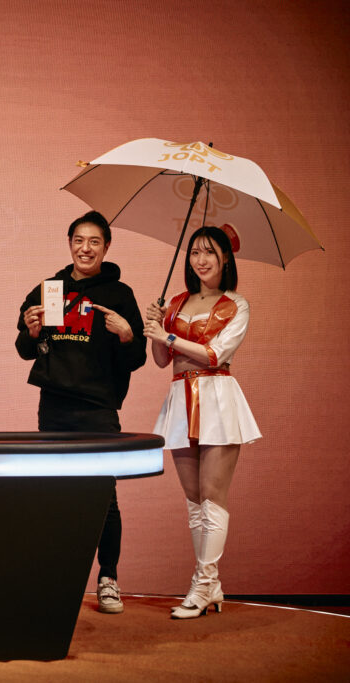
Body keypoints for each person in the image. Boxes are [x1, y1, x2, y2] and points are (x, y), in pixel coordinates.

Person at [15, 210, 146, 614]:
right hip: (54, 405)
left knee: (104, 496)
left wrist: (128, 335)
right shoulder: (49, 288)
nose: (85, 248)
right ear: (69, 243)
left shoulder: (120, 294)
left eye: (94, 242)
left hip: (99, 407)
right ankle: (57, 578)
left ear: (106, 247)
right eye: (78, 240)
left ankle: (108, 578)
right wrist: (31, 330)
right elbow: (24, 349)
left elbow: (137, 358)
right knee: (55, 494)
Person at [143, 226, 261, 619]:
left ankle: (203, 583)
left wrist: (168, 337)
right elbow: (162, 361)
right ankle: (211, 586)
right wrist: (156, 329)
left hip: (217, 399)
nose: (201, 259)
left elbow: (215, 354)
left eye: (210, 252)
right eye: (195, 252)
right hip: (181, 399)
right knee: (194, 501)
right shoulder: (175, 303)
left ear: (225, 258)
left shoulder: (236, 305)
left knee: (212, 496)